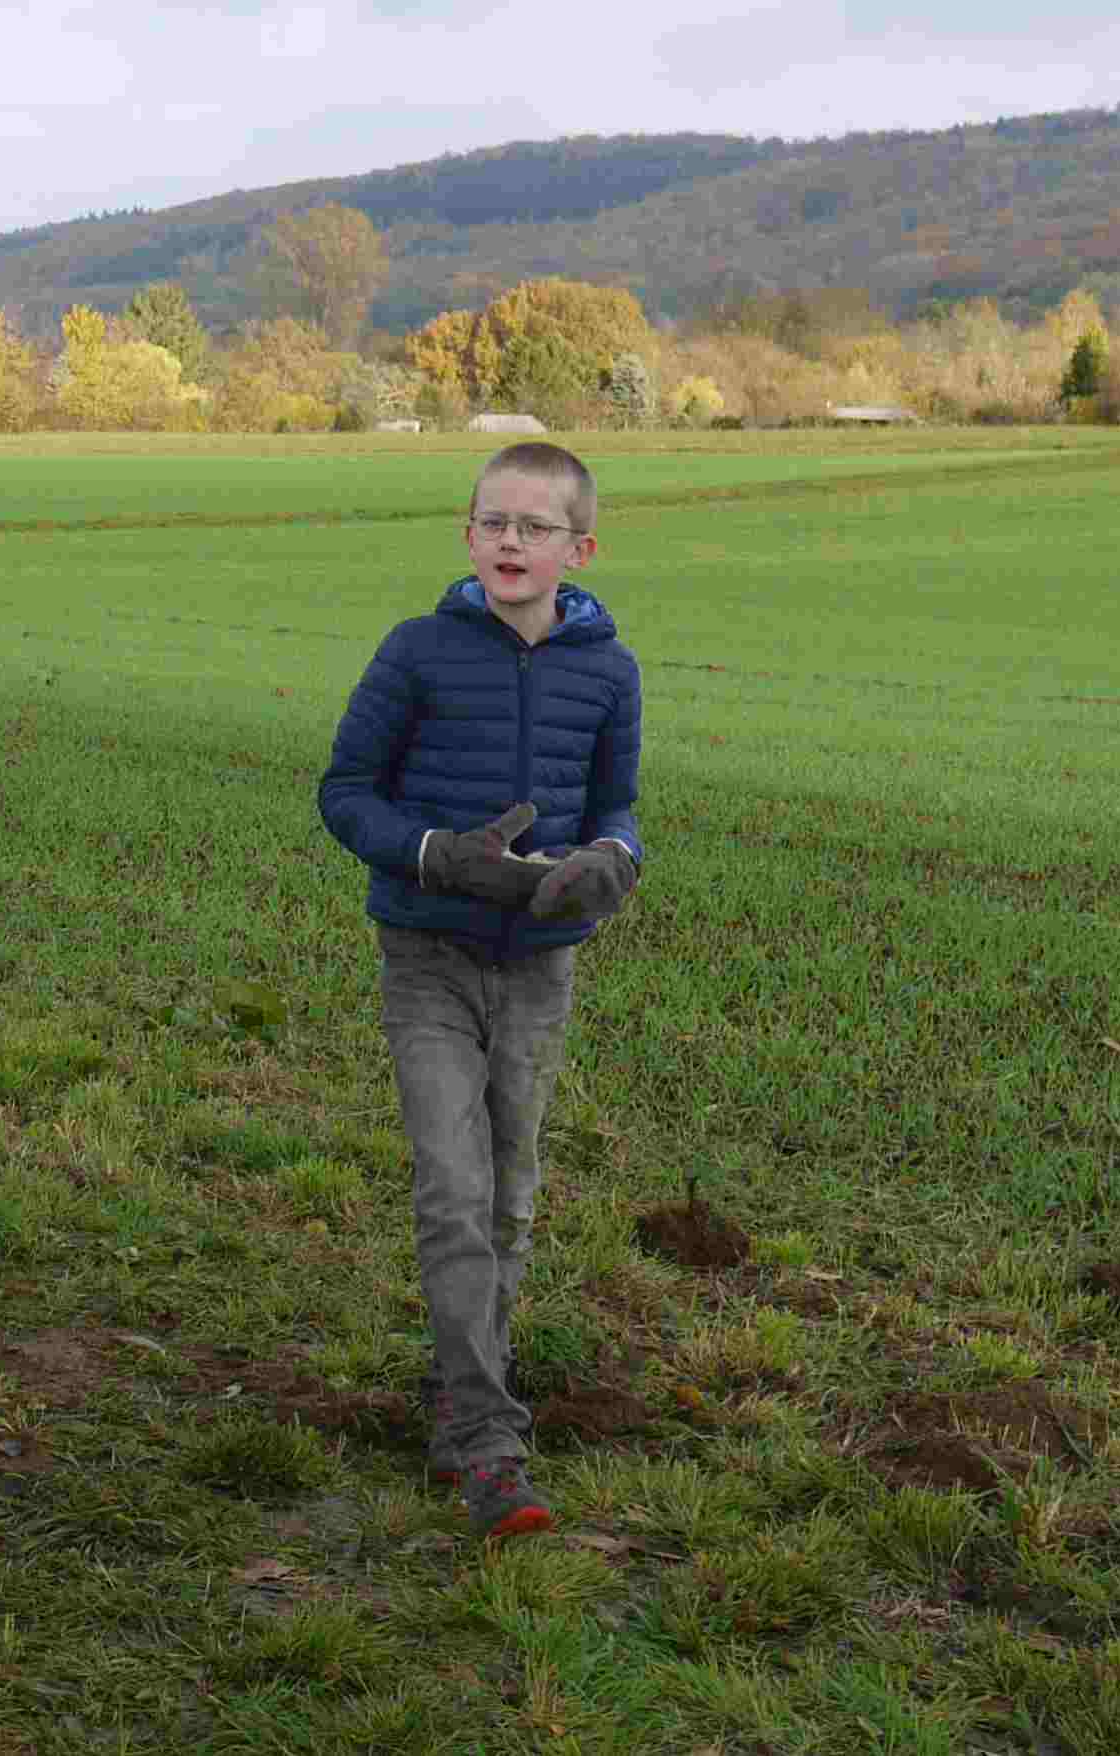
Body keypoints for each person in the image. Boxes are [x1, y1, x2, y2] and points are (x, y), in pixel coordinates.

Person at [316, 440, 646, 1542]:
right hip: (429, 957)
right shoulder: (416, 652)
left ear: (578, 547)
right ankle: (488, 1440)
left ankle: (466, 1385)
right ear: (467, 535)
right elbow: (344, 790)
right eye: (491, 521)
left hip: (539, 965)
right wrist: (429, 854)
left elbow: (619, 808)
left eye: (533, 526)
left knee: (509, 1193)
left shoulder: (609, 672)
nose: (510, 541)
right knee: (453, 1188)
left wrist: (612, 862)